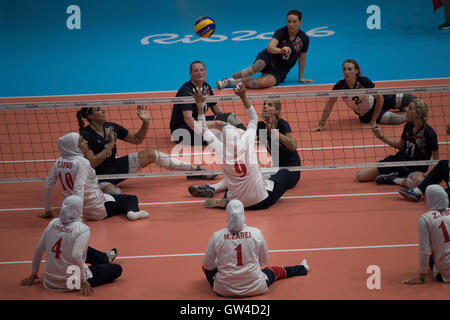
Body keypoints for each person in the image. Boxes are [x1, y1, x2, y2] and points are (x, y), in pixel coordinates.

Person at [192, 82, 295, 210]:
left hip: (238, 203)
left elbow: (204, 129)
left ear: (223, 139)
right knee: (285, 173)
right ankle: (228, 198)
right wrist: (243, 96)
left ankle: (226, 199)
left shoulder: (220, 148)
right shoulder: (246, 141)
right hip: (260, 201)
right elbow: (253, 118)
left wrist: (200, 105)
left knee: (235, 184)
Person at [77, 105, 216, 195]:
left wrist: (146, 123)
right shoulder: (85, 135)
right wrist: (109, 147)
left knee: (150, 154)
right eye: (98, 110)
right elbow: (92, 163)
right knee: (115, 194)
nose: (103, 111)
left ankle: (195, 170)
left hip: (115, 168)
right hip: (98, 176)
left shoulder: (111, 127)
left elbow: (137, 139)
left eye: (102, 109)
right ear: (90, 116)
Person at [202, 199, 310, 297]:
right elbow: (264, 262)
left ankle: (226, 279)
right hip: (256, 287)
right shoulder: (256, 233)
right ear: (243, 214)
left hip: (224, 290)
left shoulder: (217, 236)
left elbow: (207, 265)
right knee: (273, 270)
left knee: (207, 266)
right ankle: (303, 268)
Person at [21, 195, 123, 296]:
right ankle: (103, 261)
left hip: (49, 281)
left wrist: (34, 273)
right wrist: (83, 280)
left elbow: (39, 249)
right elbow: (76, 255)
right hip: (71, 282)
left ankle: (104, 258)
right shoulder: (82, 229)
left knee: (83, 248)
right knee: (116, 269)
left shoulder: (52, 223)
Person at [41, 132, 150, 222]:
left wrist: (47, 209)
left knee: (110, 195)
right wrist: (79, 218)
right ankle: (132, 213)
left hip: (70, 210)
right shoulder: (82, 162)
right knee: (131, 198)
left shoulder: (58, 162)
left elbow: (47, 186)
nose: (86, 142)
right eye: (82, 141)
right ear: (74, 146)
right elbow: (79, 188)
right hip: (95, 209)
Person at [216, 10, 313, 90]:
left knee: (259, 84)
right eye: (289, 21)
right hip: (268, 59)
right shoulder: (281, 32)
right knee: (257, 67)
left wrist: (301, 77)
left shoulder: (304, 38)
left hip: (280, 71)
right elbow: (270, 48)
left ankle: (232, 81)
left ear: (300, 22)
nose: (291, 24)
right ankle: (231, 79)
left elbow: (302, 58)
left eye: (294, 22)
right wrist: (280, 50)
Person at [311, 59, 415, 131]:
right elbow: (329, 105)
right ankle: (404, 110)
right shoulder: (339, 86)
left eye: (350, 69)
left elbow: (380, 99)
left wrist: (373, 122)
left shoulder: (364, 81)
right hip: (368, 115)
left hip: (380, 100)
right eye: (344, 69)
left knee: (412, 99)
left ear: (356, 70)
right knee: (400, 119)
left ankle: (402, 106)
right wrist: (321, 124)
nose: (347, 72)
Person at [356, 98, 439, 187]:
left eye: (410, 108)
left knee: (420, 183)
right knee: (360, 175)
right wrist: (381, 136)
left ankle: (395, 179)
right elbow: (400, 145)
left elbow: (436, 159)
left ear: (418, 114)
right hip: (399, 161)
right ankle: (401, 177)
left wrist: (430, 173)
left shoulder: (429, 133)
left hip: (416, 167)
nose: (407, 110)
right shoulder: (409, 125)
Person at [170, 60, 246, 145]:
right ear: (190, 74)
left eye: (201, 70)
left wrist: (224, 118)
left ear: (205, 72)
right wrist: (207, 131)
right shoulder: (186, 91)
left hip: (198, 122)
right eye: (196, 71)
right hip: (182, 131)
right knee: (221, 133)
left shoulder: (206, 87)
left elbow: (215, 107)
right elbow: (188, 119)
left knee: (231, 117)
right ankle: (242, 137)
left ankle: (247, 134)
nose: (199, 73)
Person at [401, 185, 450, 284]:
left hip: (445, 274)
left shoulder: (425, 219)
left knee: (432, 253)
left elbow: (424, 250)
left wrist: (421, 278)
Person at [399, 124, 450, 201]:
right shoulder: (409, 125)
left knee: (436, 197)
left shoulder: (429, 132)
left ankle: (393, 180)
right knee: (443, 164)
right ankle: (417, 191)